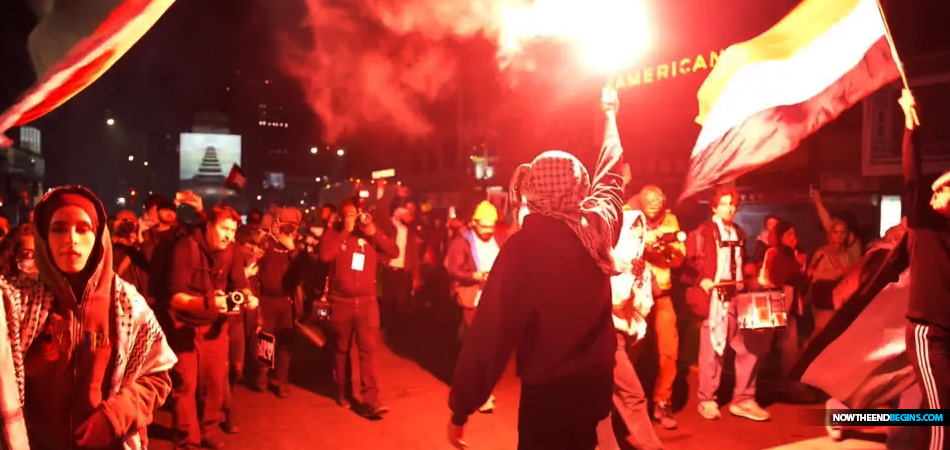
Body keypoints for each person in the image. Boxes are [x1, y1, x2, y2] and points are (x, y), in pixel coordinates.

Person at [447, 85, 627, 450]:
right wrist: (610, 116)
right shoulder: (596, 225)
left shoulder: (523, 250)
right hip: (595, 386)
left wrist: (461, 408)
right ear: (579, 185)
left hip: (549, 396)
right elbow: (611, 178)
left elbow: (490, 335)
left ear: (533, 191)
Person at [0, 186, 178, 449]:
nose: (71, 239)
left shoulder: (128, 304)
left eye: (82, 229)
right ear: (44, 237)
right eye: (58, 228)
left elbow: (157, 376)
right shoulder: (19, 301)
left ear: (98, 236)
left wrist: (116, 415)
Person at [166, 204, 259, 450]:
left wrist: (248, 297)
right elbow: (175, 298)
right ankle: (187, 439)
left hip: (215, 329)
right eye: (224, 229)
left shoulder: (233, 251)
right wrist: (208, 302)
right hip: (183, 327)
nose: (229, 235)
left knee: (215, 384)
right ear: (208, 226)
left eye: (233, 230)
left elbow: (240, 283)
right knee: (185, 386)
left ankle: (208, 430)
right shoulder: (186, 248)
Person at [681, 186, 771, 422]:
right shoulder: (702, 232)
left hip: (738, 296)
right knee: (712, 350)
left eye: (732, 204)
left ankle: (744, 398)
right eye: (724, 204)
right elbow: (687, 267)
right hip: (715, 299)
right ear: (714, 206)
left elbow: (743, 263)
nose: (729, 208)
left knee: (749, 347)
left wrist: (754, 277)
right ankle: (707, 399)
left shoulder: (739, 233)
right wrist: (702, 280)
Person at [900, 89, 950, 450]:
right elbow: (912, 177)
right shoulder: (923, 222)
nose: (942, 192)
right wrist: (909, 123)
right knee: (940, 418)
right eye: (940, 189)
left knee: (933, 411)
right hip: (928, 332)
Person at [319, 197, 399, 419]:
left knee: (368, 351)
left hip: (366, 303)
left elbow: (394, 252)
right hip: (340, 303)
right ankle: (343, 391)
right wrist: (344, 231)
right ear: (343, 216)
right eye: (350, 214)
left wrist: (373, 231)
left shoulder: (369, 236)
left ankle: (371, 400)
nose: (354, 218)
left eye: (357, 213)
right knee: (341, 350)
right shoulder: (334, 234)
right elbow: (325, 255)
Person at [596, 209, 665, 450]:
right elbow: (612, 300)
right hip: (603, 334)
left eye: (640, 234)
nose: (637, 239)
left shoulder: (639, 267)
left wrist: (641, 280)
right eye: (632, 233)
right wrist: (628, 277)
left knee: (606, 397)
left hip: (624, 335)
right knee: (633, 394)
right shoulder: (607, 261)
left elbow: (643, 308)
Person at [444, 200, 508, 413]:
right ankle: (477, 394)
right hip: (473, 300)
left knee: (492, 348)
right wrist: (474, 276)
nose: (488, 231)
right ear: (474, 222)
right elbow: (451, 268)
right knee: (478, 348)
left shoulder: (499, 238)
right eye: (484, 226)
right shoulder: (462, 241)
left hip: (496, 301)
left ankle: (481, 389)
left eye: (491, 226)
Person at [636, 185, 685, 429]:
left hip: (661, 295)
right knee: (630, 351)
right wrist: (644, 243)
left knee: (669, 348)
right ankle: (626, 403)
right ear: (640, 201)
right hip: (634, 297)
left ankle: (662, 401)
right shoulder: (629, 216)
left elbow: (679, 258)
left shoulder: (671, 221)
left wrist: (667, 247)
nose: (654, 202)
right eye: (649, 198)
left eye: (658, 198)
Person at [252, 207, 308, 398]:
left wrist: (292, 248)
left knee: (285, 343)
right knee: (265, 340)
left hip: (287, 300)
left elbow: (304, 270)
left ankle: (282, 381)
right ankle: (262, 374)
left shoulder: (299, 246)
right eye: (284, 224)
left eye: (292, 225)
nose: (288, 228)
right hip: (267, 299)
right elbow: (254, 265)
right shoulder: (265, 242)